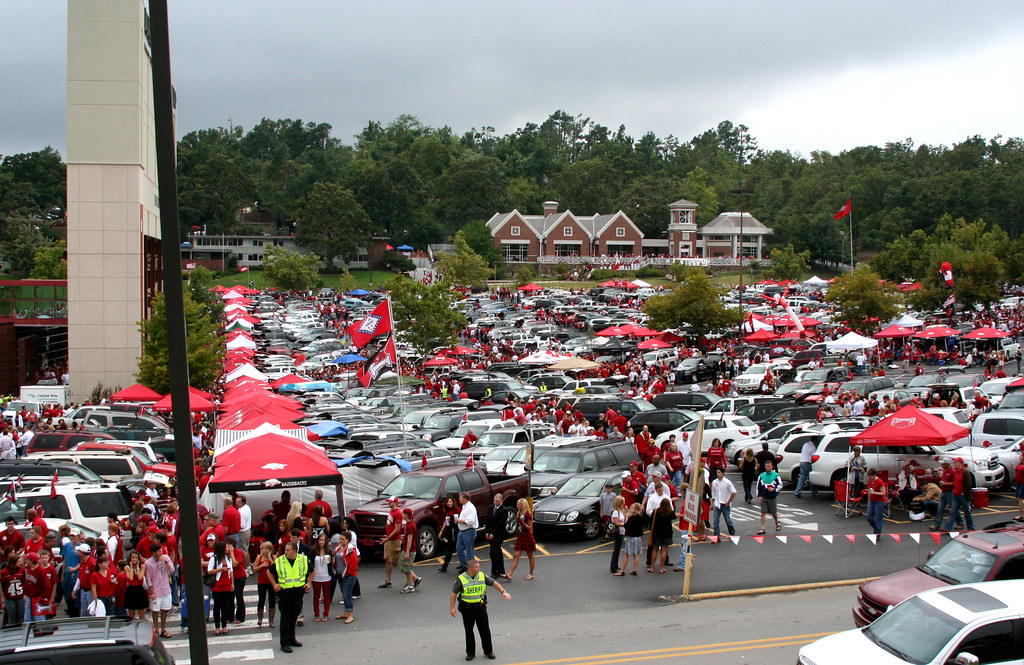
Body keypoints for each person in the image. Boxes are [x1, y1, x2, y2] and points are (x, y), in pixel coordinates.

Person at [449, 557, 511, 661]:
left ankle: (488, 651)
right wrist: (452, 607)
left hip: (480, 608)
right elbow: (454, 593)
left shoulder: (482, 576)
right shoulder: (461, 579)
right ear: (470, 568)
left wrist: (503, 592)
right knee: (469, 631)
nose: (479, 569)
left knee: (485, 630)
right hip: (467, 609)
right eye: (477, 567)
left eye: (479, 567)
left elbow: (494, 583)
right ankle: (470, 653)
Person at [270, 541, 311, 653]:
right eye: (285, 550)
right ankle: (284, 643)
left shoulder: (302, 560)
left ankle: (292, 639)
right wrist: (274, 585)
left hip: (298, 592)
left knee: (294, 617)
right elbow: (269, 572)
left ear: (294, 551)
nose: (286, 552)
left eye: (288, 550)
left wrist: (309, 583)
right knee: (285, 618)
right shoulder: (280, 561)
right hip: (285, 593)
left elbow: (312, 570)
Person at [144, 541, 174, 639]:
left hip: (165, 589)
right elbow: (148, 578)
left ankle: (163, 629)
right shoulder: (148, 563)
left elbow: (172, 570)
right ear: (153, 553)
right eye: (158, 552)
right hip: (156, 590)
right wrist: (151, 592)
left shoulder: (166, 558)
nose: (161, 553)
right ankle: (156, 629)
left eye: (161, 551)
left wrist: (166, 562)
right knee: (155, 610)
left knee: (165, 609)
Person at [207, 541, 234, 636]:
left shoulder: (228, 558)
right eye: (226, 547)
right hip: (217, 584)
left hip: (226, 583)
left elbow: (231, 571)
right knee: (217, 606)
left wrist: (232, 583)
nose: (228, 549)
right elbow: (210, 571)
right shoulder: (214, 558)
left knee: (225, 606)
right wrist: (221, 569)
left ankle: (224, 625)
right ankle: (217, 626)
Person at [506, 498, 535, 580]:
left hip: (527, 536)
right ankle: (509, 574)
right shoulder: (519, 513)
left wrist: (523, 522)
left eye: (518, 504)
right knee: (516, 555)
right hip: (520, 536)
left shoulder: (527, 515)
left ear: (522, 505)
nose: (517, 506)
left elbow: (529, 527)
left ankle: (531, 573)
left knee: (530, 555)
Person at [944, 457, 975, 532]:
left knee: (966, 512)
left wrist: (964, 492)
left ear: (961, 463)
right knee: (953, 511)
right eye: (954, 463)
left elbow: (968, 484)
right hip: (955, 494)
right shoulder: (956, 472)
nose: (954, 464)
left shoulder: (965, 472)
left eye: (956, 463)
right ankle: (947, 528)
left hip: (962, 495)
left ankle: (971, 528)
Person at [333, 531, 358, 623]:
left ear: (348, 540)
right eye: (340, 539)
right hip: (340, 573)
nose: (341, 541)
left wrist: (347, 573)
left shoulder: (351, 549)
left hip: (348, 575)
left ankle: (350, 614)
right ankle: (346, 612)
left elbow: (354, 563)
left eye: (343, 539)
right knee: (344, 593)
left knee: (347, 594)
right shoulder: (338, 548)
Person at [379, 496, 403, 588]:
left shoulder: (398, 513)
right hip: (389, 540)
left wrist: (387, 538)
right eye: (388, 502)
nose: (389, 503)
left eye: (390, 502)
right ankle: (388, 580)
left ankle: (413, 577)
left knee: (397, 561)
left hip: (394, 540)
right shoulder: (391, 511)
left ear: (395, 503)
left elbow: (397, 529)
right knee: (388, 559)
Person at [484, 495, 508, 580]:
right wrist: (487, 531)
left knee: (493, 552)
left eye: (497, 501)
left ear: (501, 501)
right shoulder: (491, 507)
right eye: (494, 501)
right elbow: (487, 520)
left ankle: (494, 572)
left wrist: (492, 534)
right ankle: (501, 570)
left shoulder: (504, 510)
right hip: (491, 532)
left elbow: (500, 524)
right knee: (497, 552)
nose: (495, 502)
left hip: (499, 535)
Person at [647, 497, 673, 574]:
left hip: (657, 533)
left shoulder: (656, 511)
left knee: (655, 550)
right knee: (664, 551)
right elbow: (674, 517)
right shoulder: (670, 512)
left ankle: (652, 567)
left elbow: (650, 521)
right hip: (667, 533)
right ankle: (661, 568)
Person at [309, 532, 332, 620]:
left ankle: (326, 614)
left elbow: (330, 564)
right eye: (320, 540)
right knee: (316, 596)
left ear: (325, 541)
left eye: (323, 540)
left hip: (326, 576)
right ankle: (316, 614)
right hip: (316, 577)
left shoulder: (329, 551)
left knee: (326, 596)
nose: (321, 542)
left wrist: (330, 561)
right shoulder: (313, 551)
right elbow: (311, 564)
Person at [399, 508, 423, 593]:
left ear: (406, 515)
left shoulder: (410, 526)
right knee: (405, 567)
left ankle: (410, 586)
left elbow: (410, 540)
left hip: (409, 550)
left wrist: (407, 552)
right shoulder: (409, 524)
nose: (402, 515)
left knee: (407, 569)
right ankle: (415, 579)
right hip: (408, 549)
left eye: (403, 513)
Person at [454, 492, 479, 573]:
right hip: (462, 531)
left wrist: (459, 520)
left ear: (465, 498)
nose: (459, 499)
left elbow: (470, 521)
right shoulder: (464, 506)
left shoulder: (471, 508)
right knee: (459, 548)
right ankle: (464, 565)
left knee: (469, 551)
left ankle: (471, 569)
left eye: (460, 497)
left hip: (469, 531)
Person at [253, 541, 276, 628]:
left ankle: (271, 619)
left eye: (266, 548)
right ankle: (260, 618)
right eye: (263, 548)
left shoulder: (274, 557)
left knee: (272, 600)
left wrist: (270, 559)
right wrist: (262, 566)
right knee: (261, 600)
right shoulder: (259, 557)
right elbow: (254, 569)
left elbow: (276, 567)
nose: (264, 550)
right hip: (262, 581)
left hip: (271, 581)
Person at [756, 459, 782, 534]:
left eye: (769, 466)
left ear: (772, 467)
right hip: (764, 496)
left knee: (774, 513)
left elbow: (780, 485)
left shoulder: (776, 475)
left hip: (772, 496)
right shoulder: (761, 476)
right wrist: (759, 495)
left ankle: (777, 522)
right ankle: (763, 528)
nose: (767, 468)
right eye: (766, 466)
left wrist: (774, 489)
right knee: (763, 512)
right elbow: (758, 486)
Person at [710, 467, 737, 539]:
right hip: (717, 504)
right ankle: (716, 537)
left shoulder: (727, 482)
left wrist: (728, 502)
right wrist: (712, 504)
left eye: (719, 472)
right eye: (717, 472)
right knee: (716, 521)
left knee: (728, 520)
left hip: (725, 504)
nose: (717, 474)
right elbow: (713, 493)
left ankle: (732, 533)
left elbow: (733, 492)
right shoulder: (714, 482)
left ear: (723, 473)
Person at [931, 457, 956, 532]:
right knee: (940, 508)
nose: (942, 465)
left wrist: (945, 483)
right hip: (943, 491)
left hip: (950, 492)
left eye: (943, 464)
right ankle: (936, 525)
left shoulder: (953, 472)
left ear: (947, 464)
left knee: (953, 509)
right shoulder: (944, 471)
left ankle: (960, 522)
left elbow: (955, 483)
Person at [123, 550, 148, 622]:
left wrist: (137, 568)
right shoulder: (126, 567)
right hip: (131, 590)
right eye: (133, 557)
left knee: (141, 612)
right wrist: (131, 567)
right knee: (131, 613)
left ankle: (142, 625)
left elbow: (140, 577)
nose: (134, 559)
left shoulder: (142, 566)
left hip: (140, 589)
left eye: (136, 558)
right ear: (130, 558)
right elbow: (130, 578)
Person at [1, 553, 25, 626]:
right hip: (9, 598)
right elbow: (2, 583)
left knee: (22, 616)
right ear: (13, 563)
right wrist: (2, 596)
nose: (21, 563)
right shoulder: (4, 572)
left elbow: (24, 582)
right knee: (11, 617)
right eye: (19, 562)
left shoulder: (22, 570)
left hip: (20, 597)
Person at [437, 494, 459, 573]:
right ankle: (445, 566)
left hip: (456, 531)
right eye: (447, 502)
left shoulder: (457, 509)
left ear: (453, 501)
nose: (449, 503)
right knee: (449, 549)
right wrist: (441, 532)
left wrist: (452, 519)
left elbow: (460, 519)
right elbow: (446, 522)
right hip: (450, 532)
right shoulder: (447, 511)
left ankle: (463, 565)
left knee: (458, 549)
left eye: (450, 501)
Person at [621, 503, 644, 576]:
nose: (631, 509)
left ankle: (622, 570)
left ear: (636, 509)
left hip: (631, 537)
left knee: (626, 554)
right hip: (638, 537)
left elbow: (626, 525)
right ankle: (635, 569)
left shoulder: (631, 518)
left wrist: (627, 518)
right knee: (635, 554)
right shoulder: (640, 517)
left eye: (632, 508)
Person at [864, 468, 889, 535]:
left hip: (879, 502)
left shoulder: (880, 482)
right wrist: (868, 502)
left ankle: (877, 534)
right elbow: (869, 492)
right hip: (872, 501)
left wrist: (875, 493)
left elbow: (883, 493)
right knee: (869, 517)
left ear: (874, 475)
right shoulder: (870, 481)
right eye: (869, 476)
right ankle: (876, 528)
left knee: (878, 518)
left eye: (871, 476)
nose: (870, 478)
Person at [609, 495, 626, 574]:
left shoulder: (620, 511)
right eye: (623, 502)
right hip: (618, 532)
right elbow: (617, 523)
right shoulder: (615, 512)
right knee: (616, 550)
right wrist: (624, 525)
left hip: (621, 532)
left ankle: (615, 565)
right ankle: (613, 567)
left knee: (618, 550)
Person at [1014, 448, 1024, 521]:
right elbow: (1018, 469)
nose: (1020, 456)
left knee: (1020, 498)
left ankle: (1020, 515)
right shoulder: (1020, 464)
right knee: (1018, 498)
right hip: (1018, 483)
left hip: (1023, 483)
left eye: (1021, 455)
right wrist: (1015, 468)